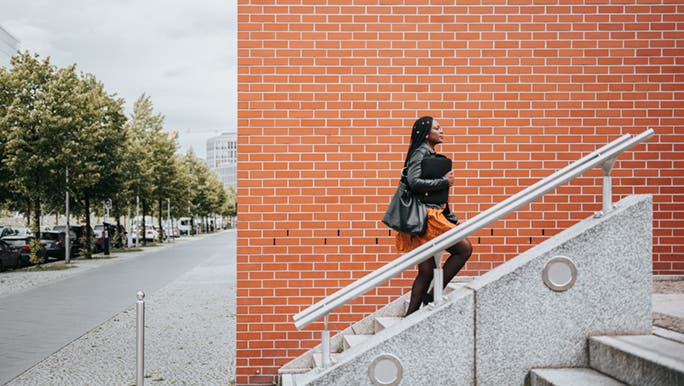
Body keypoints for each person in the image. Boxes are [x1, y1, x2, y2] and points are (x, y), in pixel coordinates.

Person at [396, 116, 473, 316]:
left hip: (430, 215)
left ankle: (410, 316)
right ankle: (431, 295)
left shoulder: (428, 153)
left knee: (426, 270)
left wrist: (452, 218)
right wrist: (443, 181)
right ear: (426, 132)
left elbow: (436, 197)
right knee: (464, 249)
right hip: (427, 217)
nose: (442, 131)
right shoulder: (420, 153)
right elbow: (414, 182)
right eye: (437, 128)